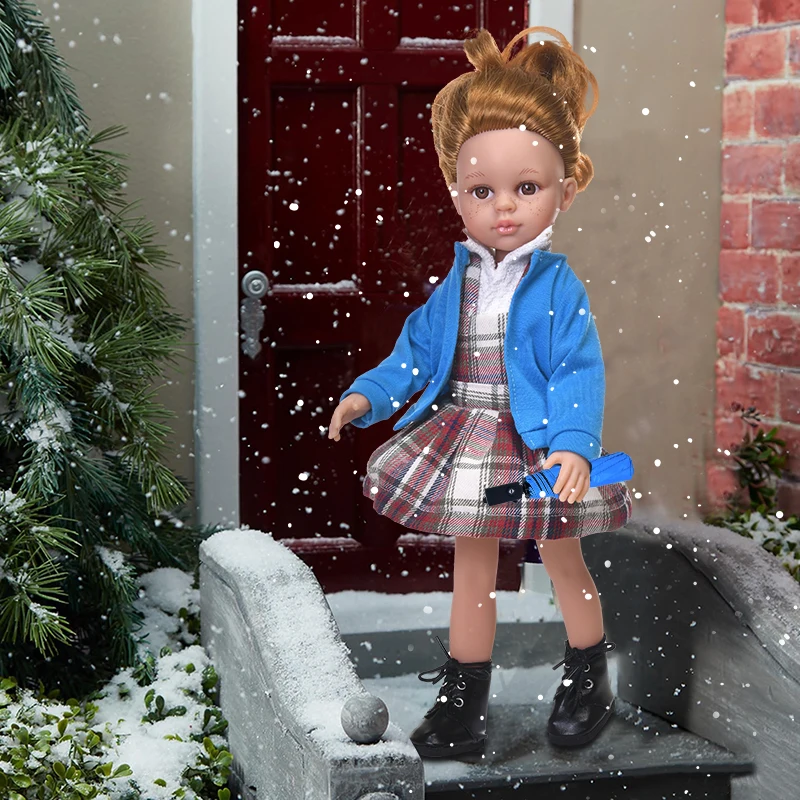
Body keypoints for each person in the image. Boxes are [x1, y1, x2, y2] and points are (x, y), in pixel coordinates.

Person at [328, 24, 633, 759]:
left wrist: (574, 445)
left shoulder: (558, 288)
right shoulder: (458, 283)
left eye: (527, 188)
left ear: (564, 190)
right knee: (472, 567)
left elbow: (578, 370)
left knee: (561, 556)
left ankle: (588, 678)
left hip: (537, 447)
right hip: (468, 438)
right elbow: (416, 352)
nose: (504, 207)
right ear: (456, 195)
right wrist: (369, 395)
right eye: (482, 190)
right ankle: (464, 702)